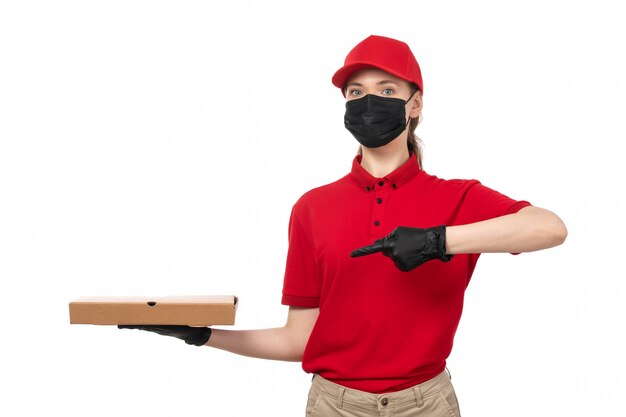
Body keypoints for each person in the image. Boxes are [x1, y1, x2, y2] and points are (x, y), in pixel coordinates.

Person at [118, 35, 568, 416]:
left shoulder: (458, 197)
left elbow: (548, 228)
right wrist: (204, 336)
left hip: (427, 403)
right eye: (355, 92)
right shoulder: (313, 207)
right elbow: (299, 339)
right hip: (334, 404)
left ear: (415, 105)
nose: (369, 101)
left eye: (386, 89)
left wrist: (439, 239)